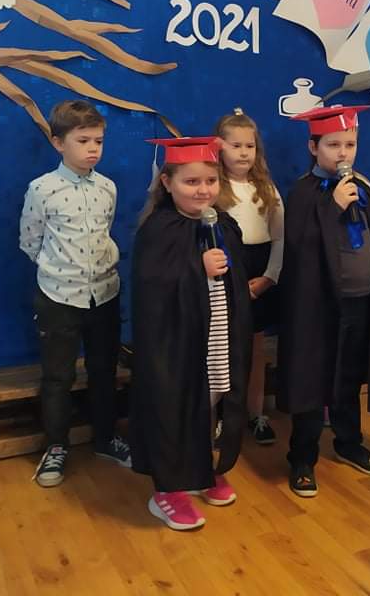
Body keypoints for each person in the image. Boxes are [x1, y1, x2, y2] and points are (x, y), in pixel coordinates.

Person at [129, 136, 252, 529]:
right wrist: (198, 268)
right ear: (168, 183)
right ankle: (167, 490)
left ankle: (200, 470)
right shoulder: (158, 229)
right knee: (174, 407)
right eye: (191, 182)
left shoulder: (222, 223)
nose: (203, 190)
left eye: (211, 181)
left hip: (215, 334)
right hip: (175, 341)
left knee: (209, 400)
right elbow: (152, 286)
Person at [278, 104, 370, 498]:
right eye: (333, 145)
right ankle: (302, 456)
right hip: (320, 307)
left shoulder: (361, 186)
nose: (343, 152)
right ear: (313, 147)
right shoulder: (303, 192)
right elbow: (300, 247)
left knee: (349, 376)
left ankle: (348, 442)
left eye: (350, 144)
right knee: (314, 379)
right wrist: (333, 207)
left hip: (360, 300)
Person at [19, 99, 130, 488]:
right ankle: (56, 445)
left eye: (98, 141)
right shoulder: (42, 189)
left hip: (104, 294)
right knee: (58, 376)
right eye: (83, 141)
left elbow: (105, 231)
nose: (93, 149)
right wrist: (59, 271)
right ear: (58, 142)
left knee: (103, 370)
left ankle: (105, 438)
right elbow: (30, 240)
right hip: (58, 297)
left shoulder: (107, 188)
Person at [215, 108, 285, 446]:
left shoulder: (266, 188)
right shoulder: (214, 188)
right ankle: (222, 416)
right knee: (224, 351)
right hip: (227, 274)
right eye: (236, 145)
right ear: (219, 147)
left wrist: (269, 277)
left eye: (250, 146)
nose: (244, 153)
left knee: (256, 351)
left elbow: (281, 238)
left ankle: (256, 414)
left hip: (260, 274)